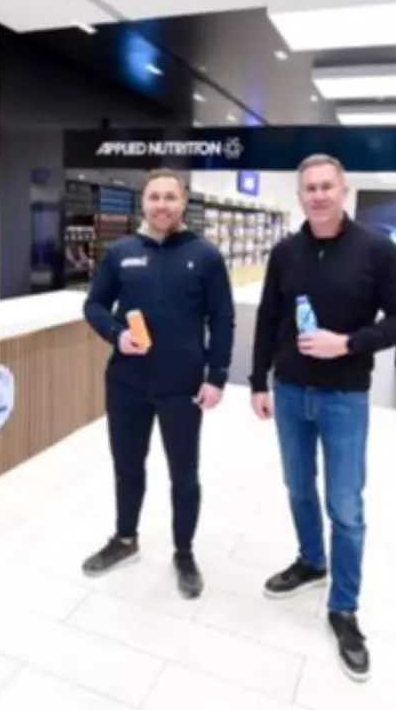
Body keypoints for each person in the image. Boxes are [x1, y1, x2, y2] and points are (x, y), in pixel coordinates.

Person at [250, 153, 396, 682]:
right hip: (290, 391)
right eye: (310, 188)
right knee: (298, 487)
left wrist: (348, 343)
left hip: (345, 396)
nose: (318, 195)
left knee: (345, 506)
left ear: (343, 191)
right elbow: (268, 318)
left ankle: (343, 608)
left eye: (327, 186)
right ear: (300, 195)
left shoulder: (377, 250)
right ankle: (310, 561)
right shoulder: (285, 252)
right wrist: (257, 380)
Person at [82, 168, 235, 598]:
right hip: (126, 383)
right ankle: (125, 539)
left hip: (182, 385)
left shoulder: (205, 255)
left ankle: (184, 552)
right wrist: (117, 335)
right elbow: (94, 305)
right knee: (127, 465)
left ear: (183, 202)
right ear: (143, 202)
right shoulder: (121, 252)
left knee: (184, 473)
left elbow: (222, 319)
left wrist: (217, 376)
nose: (162, 205)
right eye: (154, 197)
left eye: (170, 197)